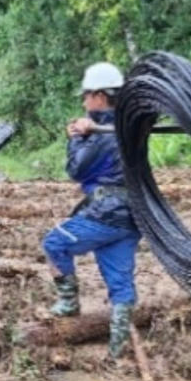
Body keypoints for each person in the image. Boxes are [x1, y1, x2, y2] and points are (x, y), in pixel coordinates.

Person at [41, 62, 141, 359]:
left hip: (105, 213)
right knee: (120, 284)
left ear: (99, 95)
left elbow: (76, 170)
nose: (84, 102)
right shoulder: (130, 127)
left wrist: (75, 139)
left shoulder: (102, 133)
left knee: (53, 244)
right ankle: (116, 350)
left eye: (86, 95)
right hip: (130, 217)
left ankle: (69, 302)